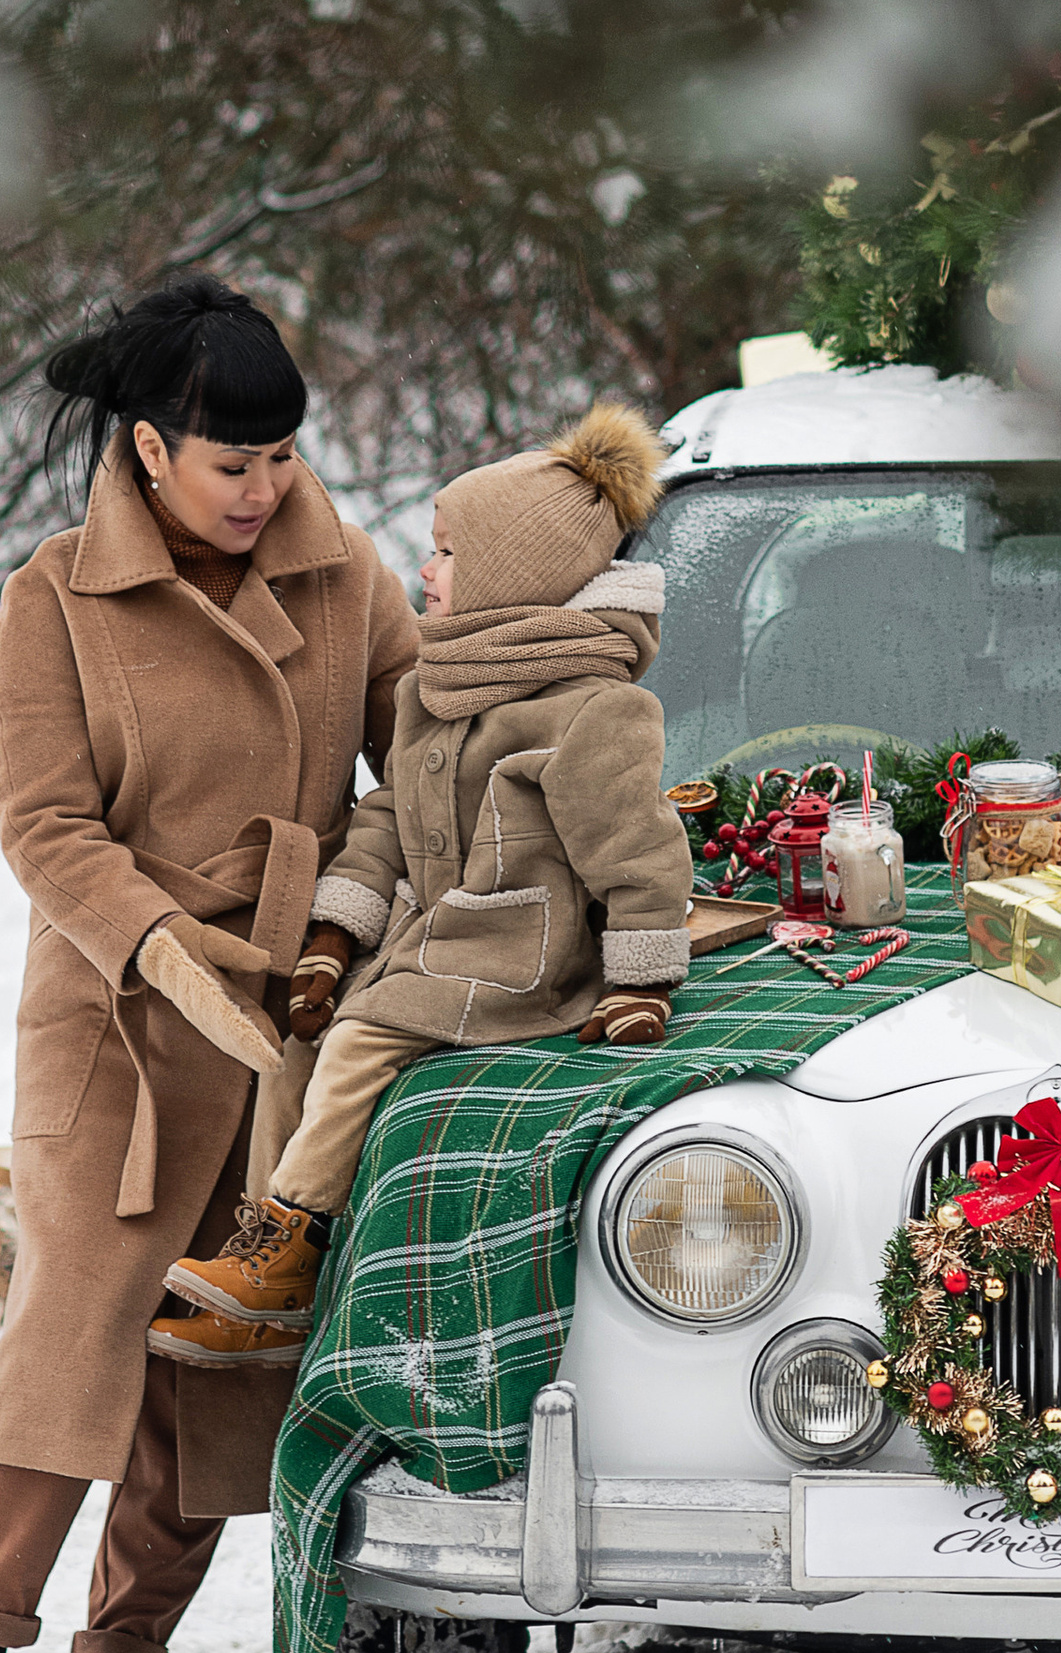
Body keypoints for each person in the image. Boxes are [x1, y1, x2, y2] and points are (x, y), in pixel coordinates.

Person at [0, 273, 419, 1653]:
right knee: (76, 1314)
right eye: (232, 463)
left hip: (286, 1022)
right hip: (114, 1009)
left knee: (220, 1347)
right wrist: (165, 946)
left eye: (282, 459)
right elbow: (45, 827)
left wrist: (345, 909)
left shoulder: (347, 576)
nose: (263, 489)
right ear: (151, 450)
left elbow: (423, 762)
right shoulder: (53, 599)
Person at [156, 404, 692, 1343]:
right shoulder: (434, 689)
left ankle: (292, 1241)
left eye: (447, 555)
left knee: (360, 1045)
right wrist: (332, 939)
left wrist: (640, 979)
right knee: (295, 1047)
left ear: (513, 574)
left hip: (522, 957)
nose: (425, 574)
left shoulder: (587, 709)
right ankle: (268, 1260)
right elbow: (388, 822)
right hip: (429, 949)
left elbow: (638, 850)